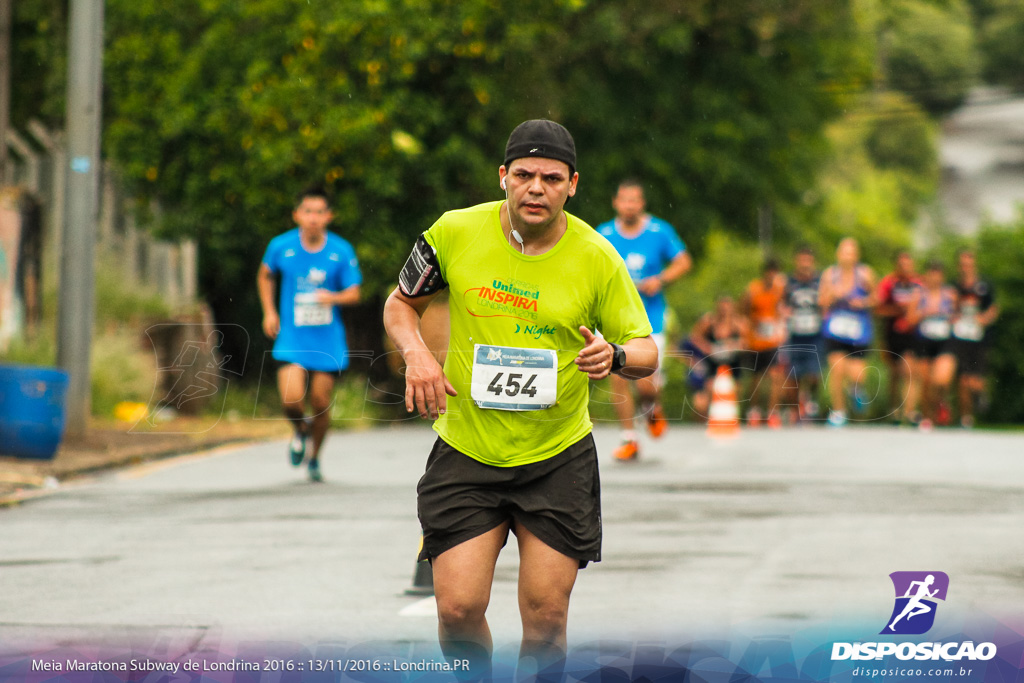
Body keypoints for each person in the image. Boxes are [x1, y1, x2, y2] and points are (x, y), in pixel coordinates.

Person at [382, 120, 657, 678]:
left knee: (547, 619)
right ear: (503, 176)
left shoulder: (597, 256)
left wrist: (617, 357)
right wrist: (417, 355)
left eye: (551, 178)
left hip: (556, 457)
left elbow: (647, 348)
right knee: (458, 611)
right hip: (468, 450)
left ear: (572, 185)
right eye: (525, 175)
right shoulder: (453, 233)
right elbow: (399, 304)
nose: (537, 188)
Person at [257, 186, 362, 482]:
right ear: (297, 215)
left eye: (319, 212)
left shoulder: (341, 250)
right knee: (291, 400)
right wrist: (269, 311)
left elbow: (355, 293)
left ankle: (314, 457)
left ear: (328, 216)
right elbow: (265, 274)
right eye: (308, 211)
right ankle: (300, 429)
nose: (313, 218)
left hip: (327, 340)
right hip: (292, 337)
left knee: (319, 402)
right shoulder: (281, 246)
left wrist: (333, 298)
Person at [596, 179, 691, 460]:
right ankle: (629, 438)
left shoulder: (658, 231)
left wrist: (660, 280)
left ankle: (651, 408)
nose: (629, 206)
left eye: (634, 200)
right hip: (613, 318)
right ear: (616, 203)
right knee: (617, 372)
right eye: (624, 200)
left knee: (646, 383)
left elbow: (684, 262)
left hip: (651, 319)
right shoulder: (604, 234)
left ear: (642, 204)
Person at [819, 237, 877, 427]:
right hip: (835, 330)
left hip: (858, 331)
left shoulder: (865, 274)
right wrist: (832, 295)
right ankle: (838, 411)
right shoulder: (830, 275)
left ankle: (855, 389)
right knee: (836, 370)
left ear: (857, 255)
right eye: (844, 251)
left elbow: (876, 298)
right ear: (838, 254)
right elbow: (821, 302)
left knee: (857, 375)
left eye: (851, 252)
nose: (847, 256)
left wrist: (864, 302)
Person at [906, 261, 958, 429]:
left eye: (938, 274)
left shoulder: (950, 294)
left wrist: (948, 317)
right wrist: (925, 313)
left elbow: (957, 317)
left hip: (944, 342)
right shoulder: (918, 294)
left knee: (941, 380)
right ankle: (928, 416)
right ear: (926, 276)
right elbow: (909, 319)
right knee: (926, 382)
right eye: (932, 274)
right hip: (923, 342)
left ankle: (942, 402)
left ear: (942, 276)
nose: (935, 278)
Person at [951, 248, 998, 428]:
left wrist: (984, 319)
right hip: (961, 337)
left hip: (979, 338)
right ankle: (966, 418)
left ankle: (980, 395)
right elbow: (950, 308)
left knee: (976, 381)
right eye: (962, 264)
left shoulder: (984, 285)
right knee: (963, 379)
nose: (965, 267)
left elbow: (993, 308)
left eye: (968, 264)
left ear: (974, 264)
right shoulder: (954, 286)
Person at [681, 295, 748, 419]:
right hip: (712, 361)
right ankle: (703, 418)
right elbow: (694, 338)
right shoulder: (708, 322)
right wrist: (707, 347)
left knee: (734, 391)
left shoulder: (739, 324)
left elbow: (747, 343)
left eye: (727, 308)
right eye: (721, 308)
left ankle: (731, 418)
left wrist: (734, 345)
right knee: (708, 391)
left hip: (732, 362)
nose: (724, 311)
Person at [875, 250, 922, 424]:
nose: (906, 268)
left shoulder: (918, 284)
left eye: (908, 264)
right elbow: (878, 309)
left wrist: (914, 315)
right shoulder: (889, 283)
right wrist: (898, 310)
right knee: (895, 374)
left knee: (910, 371)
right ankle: (894, 409)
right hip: (891, 334)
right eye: (902, 265)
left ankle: (909, 412)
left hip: (911, 335)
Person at [741, 258, 787, 427]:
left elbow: (783, 309)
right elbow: (743, 310)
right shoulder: (754, 289)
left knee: (776, 376)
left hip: (773, 341)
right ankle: (754, 410)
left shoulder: (780, 290)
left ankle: (772, 412)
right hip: (755, 341)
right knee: (756, 378)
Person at [781, 246, 824, 421]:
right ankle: (795, 410)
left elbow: (826, 301)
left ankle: (811, 399)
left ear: (813, 261)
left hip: (815, 333)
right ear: (796, 261)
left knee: (815, 373)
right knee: (794, 375)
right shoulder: (789, 282)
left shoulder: (820, 281)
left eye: (808, 260)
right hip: (795, 333)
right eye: (802, 260)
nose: (805, 264)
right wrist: (784, 313)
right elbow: (782, 303)